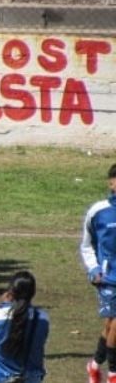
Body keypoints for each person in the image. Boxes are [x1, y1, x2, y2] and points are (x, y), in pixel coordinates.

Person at [81, 163, 116, 383]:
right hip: (108, 278)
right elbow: (86, 244)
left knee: (111, 326)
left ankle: (95, 366)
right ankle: (113, 373)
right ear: (111, 182)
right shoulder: (98, 211)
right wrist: (94, 268)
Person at [0, 271, 49, 383]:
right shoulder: (42, 318)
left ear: (10, 292)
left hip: (1, 378)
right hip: (32, 378)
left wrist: (4, 305)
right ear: (33, 293)